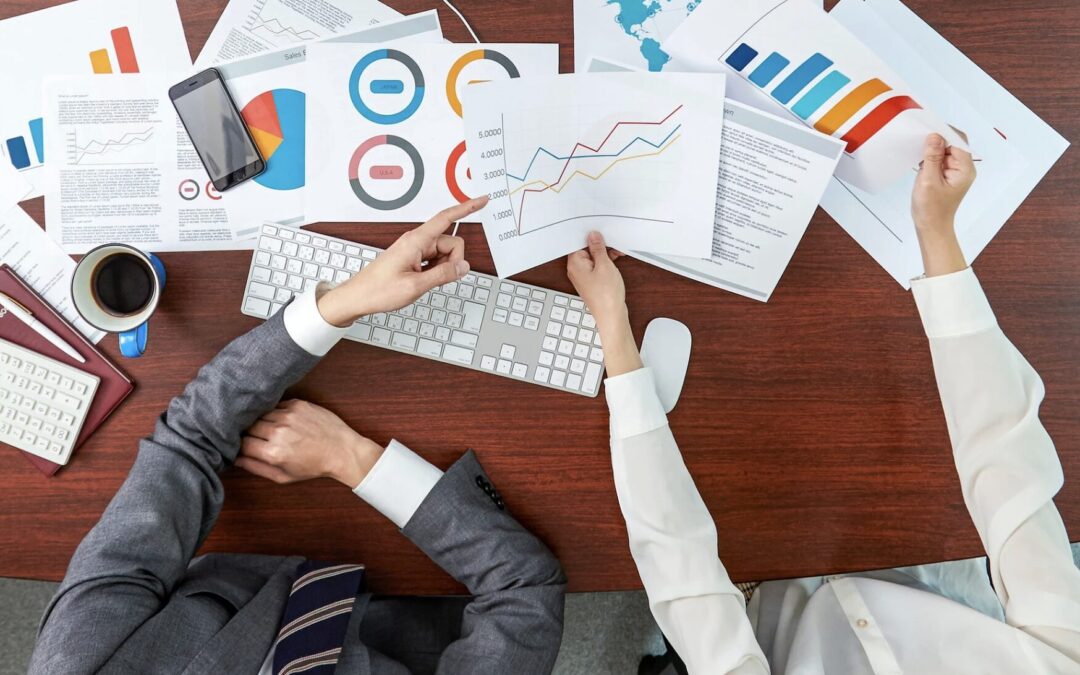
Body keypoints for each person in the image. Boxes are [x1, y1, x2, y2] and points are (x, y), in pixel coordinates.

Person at [567, 134, 1080, 673]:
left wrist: (613, 329)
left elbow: (683, 573)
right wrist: (937, 235)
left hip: (764, 589)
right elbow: (1008, 464)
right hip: (926, 566)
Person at [28, 196, 567, 675]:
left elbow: (185, 444)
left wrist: (338, 304)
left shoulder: (81, 663)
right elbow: (524, 592)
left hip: (250, 570)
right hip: (422, 613)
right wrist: (354, 459)